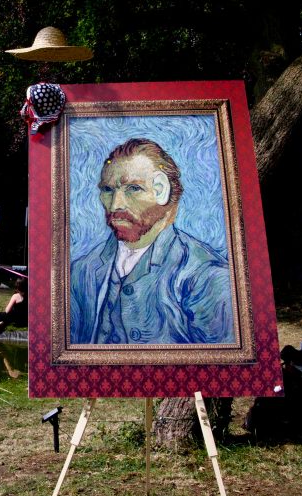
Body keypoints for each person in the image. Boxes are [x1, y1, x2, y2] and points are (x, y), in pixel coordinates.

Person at [70, 138, 235, 345]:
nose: (115, 205)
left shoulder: (207, 276)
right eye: (108, 190)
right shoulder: (81, 272)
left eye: (133, 188)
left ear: (161, 190)